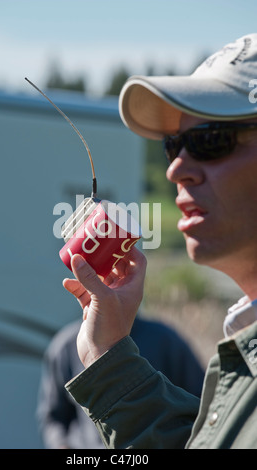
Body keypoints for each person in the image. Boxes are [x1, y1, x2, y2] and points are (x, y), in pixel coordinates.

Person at [62, 33, 257, 449]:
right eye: (175, 145)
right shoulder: (246, 335)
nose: (176, 170)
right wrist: (107, 351)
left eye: (210, 140)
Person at [37, 315, 204, 449]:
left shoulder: (165, 340)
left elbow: (202, 401)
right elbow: (52, 416)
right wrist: (61, 445)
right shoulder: (66, 345)